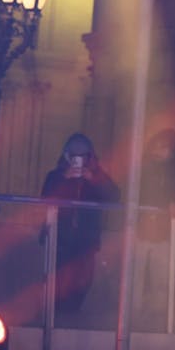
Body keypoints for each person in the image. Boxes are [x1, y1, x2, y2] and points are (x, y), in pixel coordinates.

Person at [41, 133, 121, 316]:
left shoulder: (97, 176)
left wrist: (93, 178)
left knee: (83, 279)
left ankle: (72, 312)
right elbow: (45, 198)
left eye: (83, 156)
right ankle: (55, 313)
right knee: (58, 278)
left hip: (86, 239)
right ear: (67, 156)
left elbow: (114, 196)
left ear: (90, 157)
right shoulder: (55, 176)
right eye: (75, 156)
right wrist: (64, 179)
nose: (79, 160)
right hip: (59, 238)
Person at [133, 129, 175, 319]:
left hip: (165, 231)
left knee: (162, 276)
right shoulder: (143, 166)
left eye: (164, 147)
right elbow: (133, 190)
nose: (158, 151)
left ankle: (159, 314)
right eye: (156, 146)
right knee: (135, 275)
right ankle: (133, 312)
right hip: (141, 229)